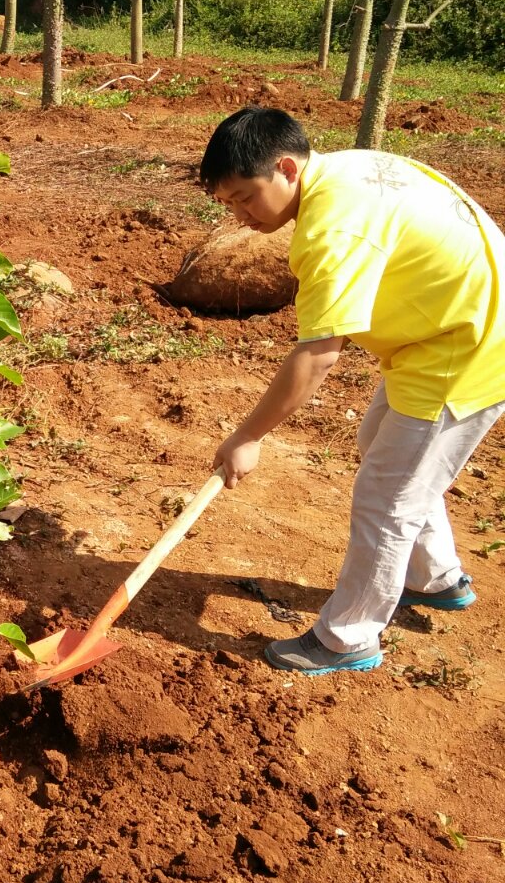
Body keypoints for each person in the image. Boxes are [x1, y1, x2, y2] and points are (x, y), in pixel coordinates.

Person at [203, 106, 505, 676]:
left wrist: (248, 435)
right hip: (446, 331)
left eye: (245, 197)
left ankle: (348, 637)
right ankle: (434, 578)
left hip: (466, 346)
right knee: (385, 450)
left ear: (286, 167)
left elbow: (317, 354)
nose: (241, 216)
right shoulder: (343, 169)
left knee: (387, 497)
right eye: (228, 204)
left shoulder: (331, 228)